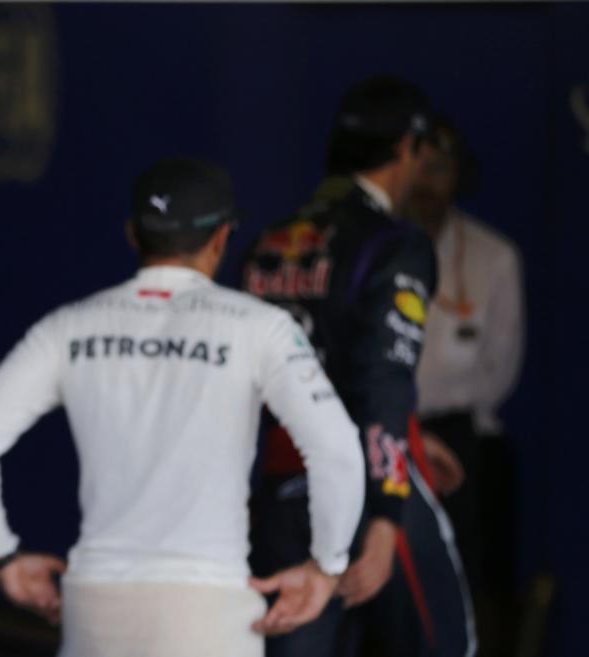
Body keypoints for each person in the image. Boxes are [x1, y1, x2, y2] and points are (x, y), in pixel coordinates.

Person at [0, 159, 365, 657]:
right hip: (209, 609)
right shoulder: (261, 327)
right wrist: (326, 566)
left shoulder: (69, 326)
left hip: (96, 608)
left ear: (132, 236)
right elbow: (336, 452)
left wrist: (0, 555)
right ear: (222, 238)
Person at [242, 77, 475, 657]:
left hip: (280, 494)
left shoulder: (268, 242)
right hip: (367, 492)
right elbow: (383, 379)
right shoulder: (397, 244)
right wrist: (387, 515)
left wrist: (411, 436)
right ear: (407, 150)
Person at [403, 117, 524, 657]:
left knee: (465, 580)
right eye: (419, 167)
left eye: (441, 169)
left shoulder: (491, 256)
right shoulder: (373, 246)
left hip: (460, 439)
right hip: (383, 436)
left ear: (459, 176)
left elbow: (502, 366)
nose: (428, 182)